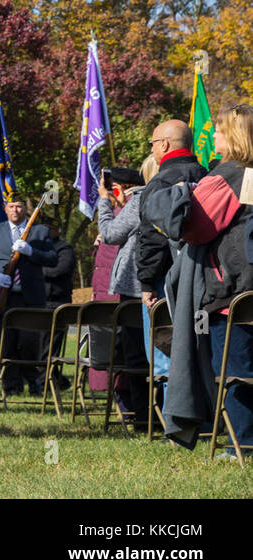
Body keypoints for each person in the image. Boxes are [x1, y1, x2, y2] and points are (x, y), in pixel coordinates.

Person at [145, 106, 253, 452]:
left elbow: (193, 228)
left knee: (235, 371)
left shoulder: (226, 176)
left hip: (230, 292)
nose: (214, 138)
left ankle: (244, 445)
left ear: (234, 136)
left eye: (219, 132)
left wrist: (172, 200)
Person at [0, 198, 57, 396]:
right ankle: (11, 387)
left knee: (30, 343)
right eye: (11, 206)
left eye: (19, 206)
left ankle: (33, 383)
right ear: (5, 209)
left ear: (26, 209)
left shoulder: (40, 231)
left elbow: (52, 259)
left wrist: (31, 251)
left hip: (30, 296)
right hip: (3, 296)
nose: (15, 210)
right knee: (6, 343)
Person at [95, 165, 150, 422]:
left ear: (122, 189)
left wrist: (104, 204)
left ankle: (142, 416)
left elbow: (110, 234)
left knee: (136, 354)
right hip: (148, 287)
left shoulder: (139, 199)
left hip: (136, 289)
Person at [136, 120, 206, 311]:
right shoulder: (207, 176)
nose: (151, 150)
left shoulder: (160, 183)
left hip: (167, 279)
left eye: (153, 144)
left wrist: (147, 282)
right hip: (205, 277)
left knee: (163, 339)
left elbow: (152, 236)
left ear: (164, 144)